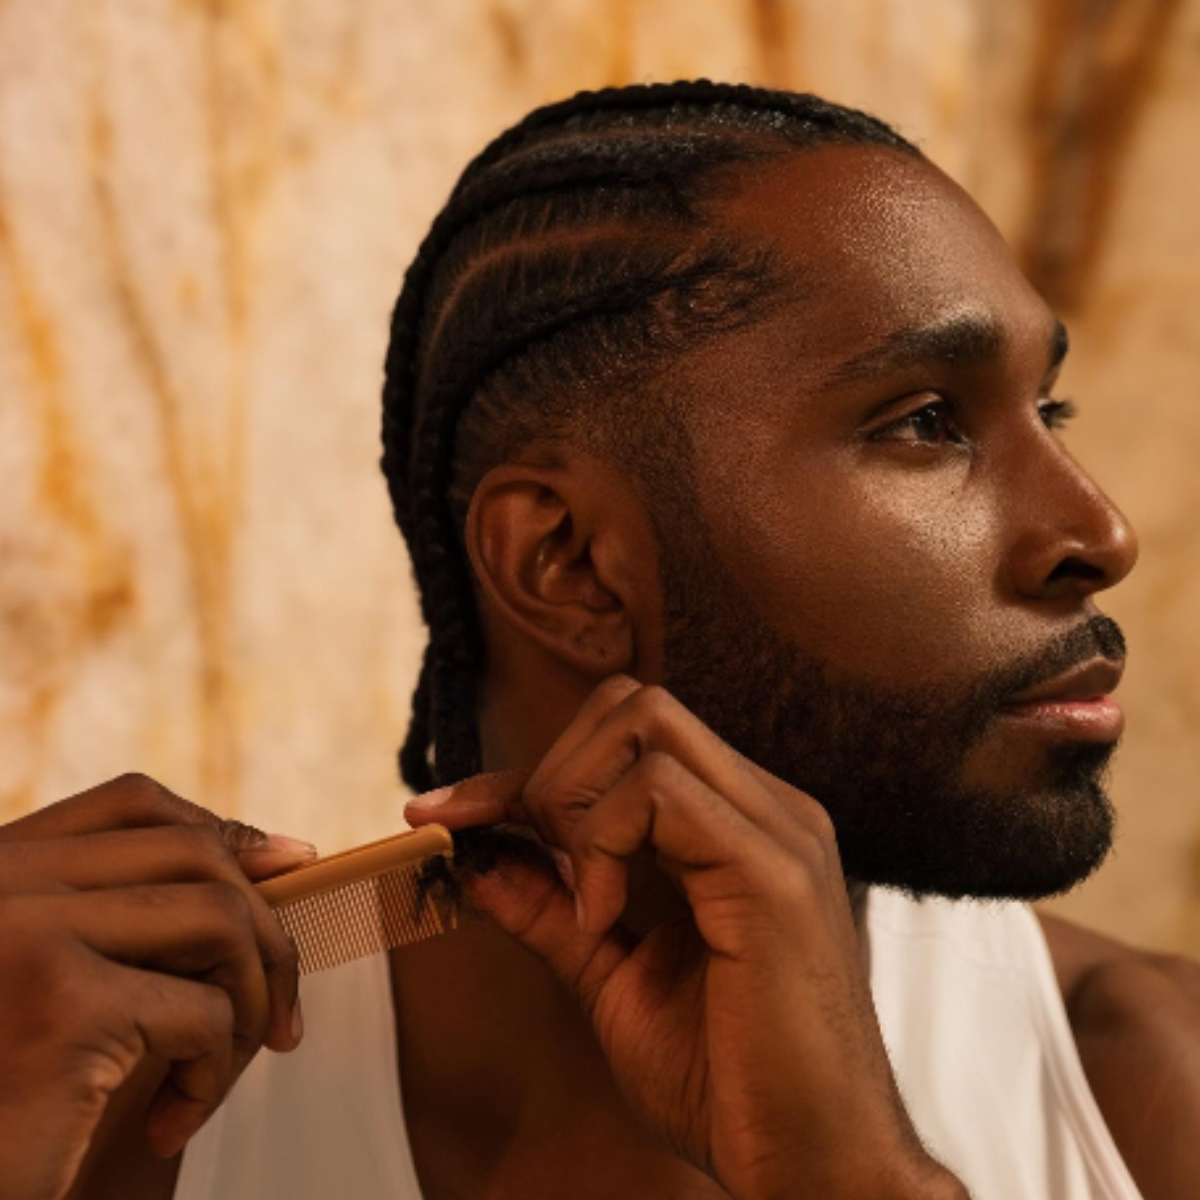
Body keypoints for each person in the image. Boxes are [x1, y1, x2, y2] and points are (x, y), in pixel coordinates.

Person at [2, 80, 1197, 1200]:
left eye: (1050, 409)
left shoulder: (1156, 1088)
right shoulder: (118, 1123)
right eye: (928, 422)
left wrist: (852, 1174)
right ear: (565, 559)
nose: (1099, 530)